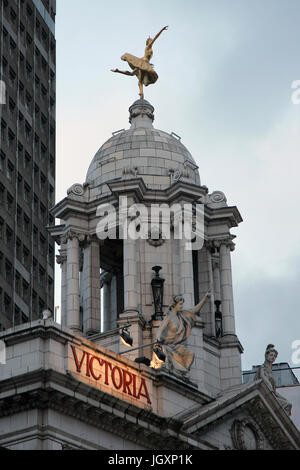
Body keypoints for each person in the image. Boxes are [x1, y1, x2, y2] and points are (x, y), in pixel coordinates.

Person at [157, 292, 210, 377]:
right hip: (167, 345)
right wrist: (158, 339)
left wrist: (205, 298)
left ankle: (181, 372)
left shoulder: (182, 315)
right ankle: (178, 372)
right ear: (175, 305)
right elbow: (160, 329)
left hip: (175, 345)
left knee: (190, 354)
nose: (181, 306)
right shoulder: (169, 317)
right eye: (180, 304)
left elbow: (195, 310)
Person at [111, 26, 168, 99]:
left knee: (134, 75)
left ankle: (118, 71)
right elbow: (155, 38)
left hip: (144, 64)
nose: (151, 41)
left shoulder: (149, 49)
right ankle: (141, 93)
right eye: (150, 40)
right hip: (142, 63)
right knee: (134, 74)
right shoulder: (148, 47)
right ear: (148, 42)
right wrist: (162, 30)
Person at [255, 344, 292, 415]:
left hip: (272, 393)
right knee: (286, 404)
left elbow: (273, 390)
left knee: (288, 404)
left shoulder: (271, 370)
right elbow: (263, 378)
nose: (273, 357)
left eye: (274, 356)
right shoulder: (262, 367)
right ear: (266, 356)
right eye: (271, 355)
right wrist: (270, 388)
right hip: (265, 395)